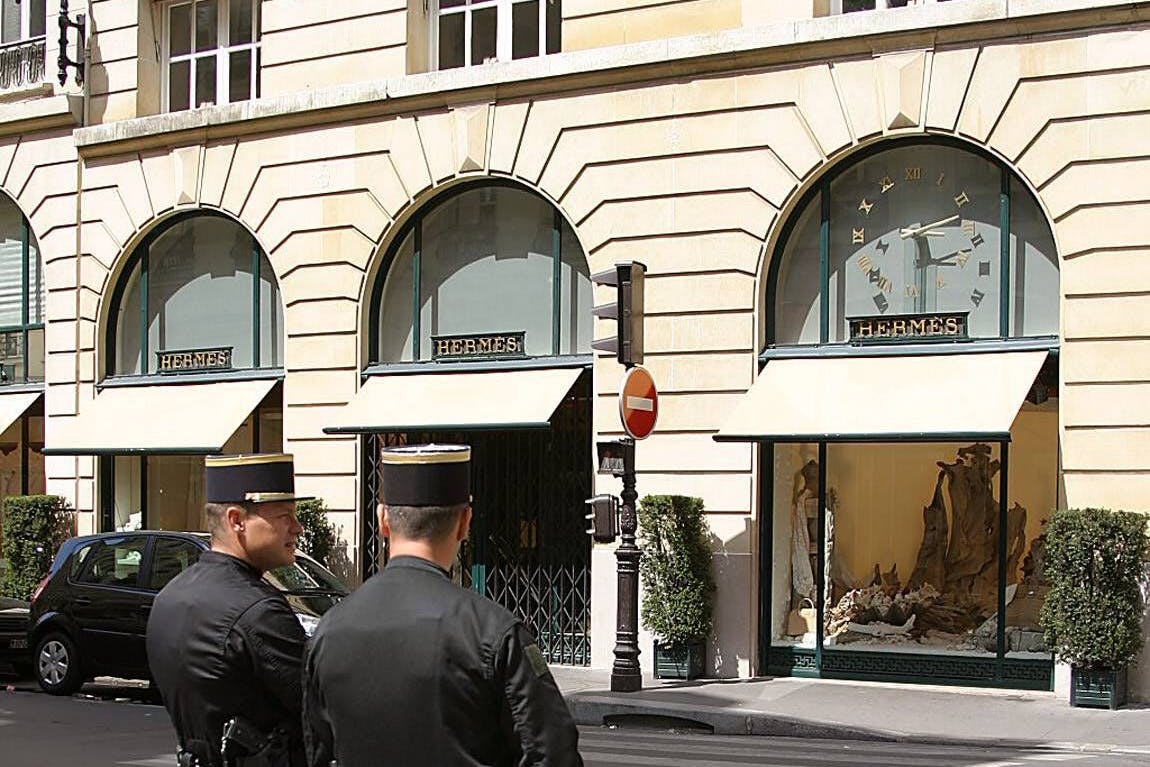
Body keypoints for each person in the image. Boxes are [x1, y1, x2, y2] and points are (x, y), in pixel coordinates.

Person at [302, 443, 582, 767]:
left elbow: (317, 751)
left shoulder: (328, 630)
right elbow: (551, 753)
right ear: (465, 522)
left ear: (382, 520)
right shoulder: (492, 631)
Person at [147, 453, 311, 767]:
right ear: (236, 520)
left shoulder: (170, 596)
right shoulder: (259, 612)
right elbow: (319, 710)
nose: (297, 528)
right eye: (283, 516)